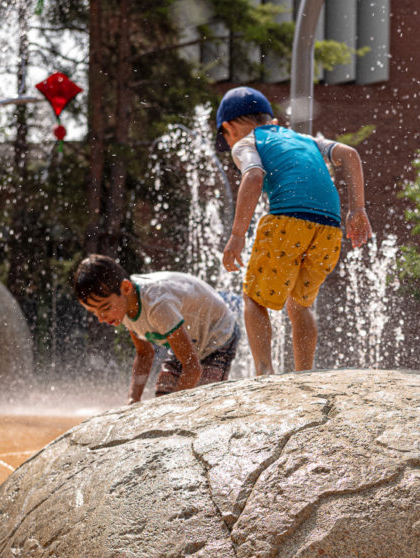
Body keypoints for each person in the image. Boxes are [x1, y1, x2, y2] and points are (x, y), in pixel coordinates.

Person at [216, 86, 372, 375]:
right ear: (271, 120)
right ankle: (304, 374)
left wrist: (237, 235)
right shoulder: (307, 139)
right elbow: (349, 154)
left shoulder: (245, 142)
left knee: (253, 297)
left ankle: (264, 372)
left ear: (230, 127)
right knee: (300, 304)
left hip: (287, 222)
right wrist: (357, 210)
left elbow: (253, 176)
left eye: (226, 138)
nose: (230, 144)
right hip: (329, 228)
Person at [72, 254, 240, 404]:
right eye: (94, 313)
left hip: (218, 335)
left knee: (202, 400)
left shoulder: (157, 304)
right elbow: (145, 354)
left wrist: (174, 409)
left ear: (125, 288)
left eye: (105, 308)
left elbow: (192, 367)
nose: (101, 318)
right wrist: (133, 399)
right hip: (188, 339)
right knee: (163, 396)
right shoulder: (123, 306)